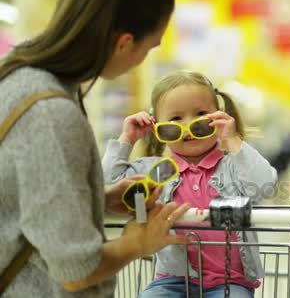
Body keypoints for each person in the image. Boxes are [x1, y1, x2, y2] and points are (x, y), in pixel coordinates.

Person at [0, 0, 192, 297]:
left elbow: (17, 200)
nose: (143, 58)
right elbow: (75, 271)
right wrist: (137, 243)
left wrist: (96, 198)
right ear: (123, 43)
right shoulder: (50, 114)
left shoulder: (16, 76)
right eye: (149, 47)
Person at [102, 70, 278, 298]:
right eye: (175, 120)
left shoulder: (233, 167)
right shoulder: (155, 172)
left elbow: (265, 185)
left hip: (230, 282)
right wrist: (127, 139)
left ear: (218, 117)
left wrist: (232, 138)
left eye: (200, 115)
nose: (188, 126)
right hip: (172, 280)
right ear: (158, 129)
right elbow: (108, 187)